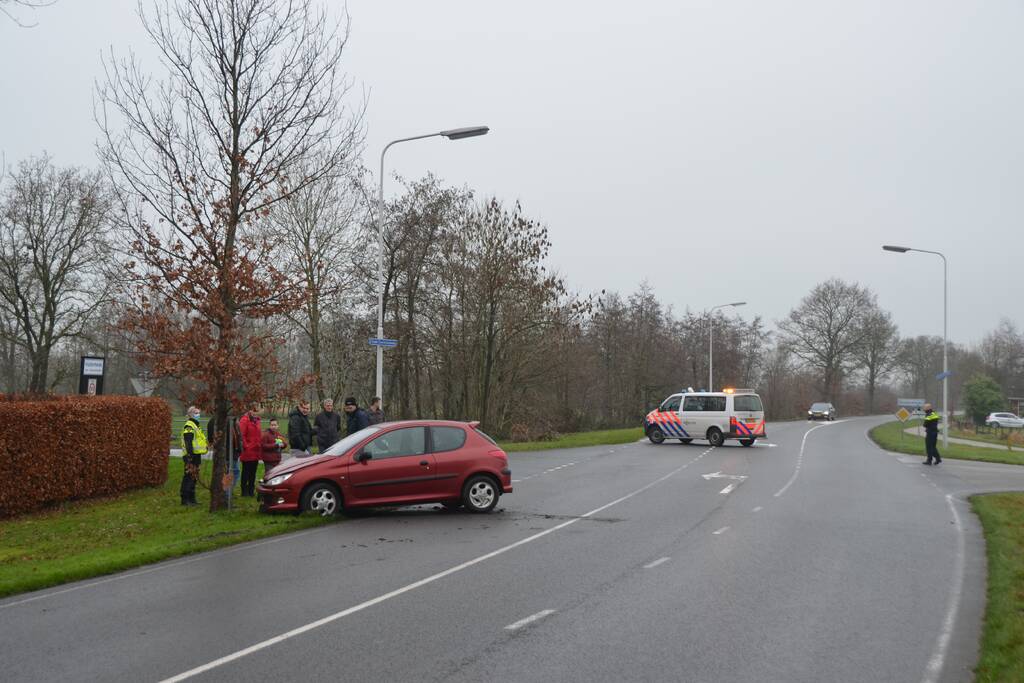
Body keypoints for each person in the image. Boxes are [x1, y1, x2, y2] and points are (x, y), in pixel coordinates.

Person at [207, 412, 242, 496]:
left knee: (230, 472)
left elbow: (237, 437)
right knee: (231, 473)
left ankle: (226, 493)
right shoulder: (224, 421)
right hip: (228, 452)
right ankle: (226, 494)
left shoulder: (231, 420)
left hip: (232, 452)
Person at [179, 405, 207, 506]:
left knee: (194, 477)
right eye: (196, 413)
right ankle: (185, 499)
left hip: (196, 455)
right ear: (190, 414)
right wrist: (190, 457)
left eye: (198, 413)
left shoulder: (196, 425)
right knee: (188, 477)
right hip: (190, 456)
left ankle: (192, 498)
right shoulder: (189, 426)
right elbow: (188, 442)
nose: (198, 415)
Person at [238, 403, 263, 496]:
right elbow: (241, 435)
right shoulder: (244, 420)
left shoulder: (258, 421)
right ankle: (244, 491)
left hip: (256, 450)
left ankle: (251, 491)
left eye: (257, 411)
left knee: (253, 472)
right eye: (254, 411)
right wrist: (246, 446)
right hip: (248, 451)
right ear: (250, 410)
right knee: (246, 472)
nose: (255, 413)